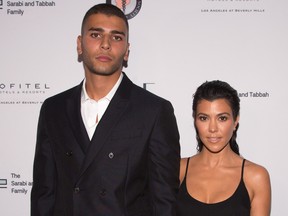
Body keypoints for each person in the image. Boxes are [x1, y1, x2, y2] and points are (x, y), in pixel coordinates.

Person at [31, 3, 180, 216]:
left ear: (127, 51)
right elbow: (43, 195)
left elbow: (164, 202)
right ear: (79, 45)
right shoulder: (53, 109)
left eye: (116, 37)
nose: (106, 45)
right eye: (95, 35)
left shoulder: (154, 111)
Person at [176, 80, 271, 216]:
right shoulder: (177, 169)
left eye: (222, 118)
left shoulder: (255, 177)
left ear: (235, 121)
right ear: (195, 121)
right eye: (204, 118)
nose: (213, 128)